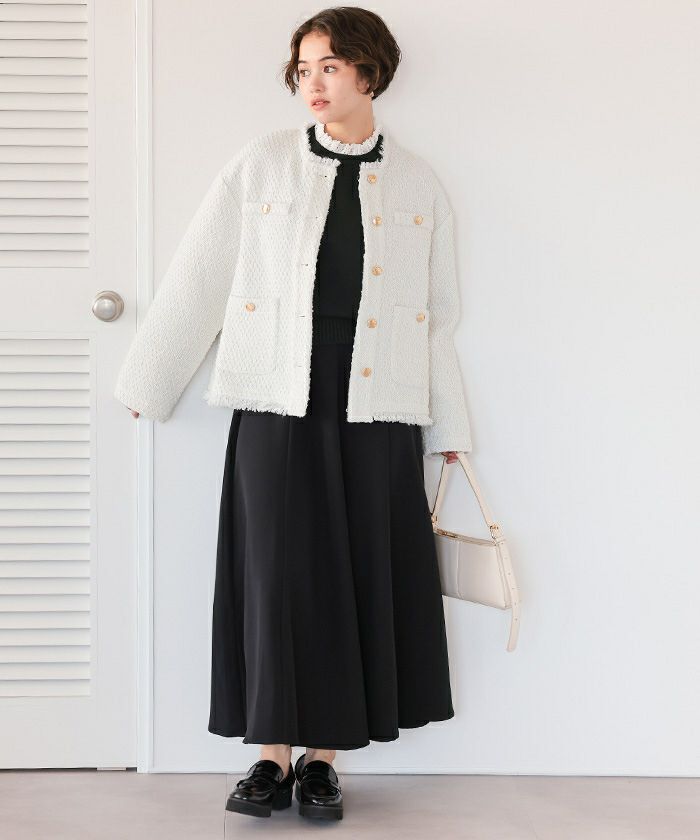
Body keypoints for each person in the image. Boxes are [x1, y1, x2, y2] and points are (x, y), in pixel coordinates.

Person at [116, 6, 472, 823]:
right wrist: (151, 379)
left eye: (330, 67)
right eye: (304, 69)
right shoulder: (263, 163)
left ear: (369, 72)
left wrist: (448, 428)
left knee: (358, 571)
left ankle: (323, 761)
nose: (313, 83)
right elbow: (201, 274)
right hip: (277, 395)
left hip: (377, 402)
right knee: (274, 571)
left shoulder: (418, 183)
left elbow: (437, 318)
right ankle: (270, 755)